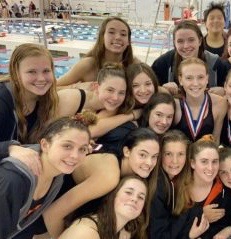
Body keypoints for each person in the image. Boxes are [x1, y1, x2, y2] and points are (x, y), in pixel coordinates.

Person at [0, 113, 96, 239]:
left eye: (82, 149)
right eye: (67, 146)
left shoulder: (57, 178)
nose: (75, 156)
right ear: (45, 145)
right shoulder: (13, 179)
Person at [0, 43, 58, 174]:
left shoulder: (46, 100)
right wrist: (10, 149)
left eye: (46, 71)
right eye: (32, 72)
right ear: (16, 73)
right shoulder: (3, 100)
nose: (41, 78)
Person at [149, 130, 209, 239]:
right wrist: (189, 235)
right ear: (160, 155)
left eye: (180, 154)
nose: (175, 161)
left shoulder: (181, 178)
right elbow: (159, 236)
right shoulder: (157, 187)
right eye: (168, 154)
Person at [57, 16, 137, 89]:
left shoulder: (134, 65)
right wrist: (77, 86)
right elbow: (53, 88)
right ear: (102, 37)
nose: (118, 37)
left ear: (128, 41)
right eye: (111, 32)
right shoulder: (88, 65)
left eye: (123, 34)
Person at [151, 20, 228, 95]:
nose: (186, 46)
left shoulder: (216, 64)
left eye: (191, 40)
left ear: (200, 41)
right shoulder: (164, 63)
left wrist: (225, 91)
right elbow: (148, 87)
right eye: (180, 41)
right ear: (174, 43)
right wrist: (162, 89)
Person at [59, 175, 149, 239]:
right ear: (113, 196)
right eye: (128, 192)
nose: (134, 199)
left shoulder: (125, 232)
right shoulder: (86, 231)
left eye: (141, 197)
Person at [187, 135, 231, 239]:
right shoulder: (178, 187)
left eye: (214, 161)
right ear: (192, 163)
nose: (210, 168)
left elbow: (225, 226)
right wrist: (201, 215)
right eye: (204, 161)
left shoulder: (224, 192)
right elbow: (170, 224)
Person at [173, 57, 227, 142]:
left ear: (207, 79)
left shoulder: (220, 103)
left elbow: (215, 140)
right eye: (189, 78)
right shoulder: (174, 105)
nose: (195, 83)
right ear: (180, 80)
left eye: (200, 77)